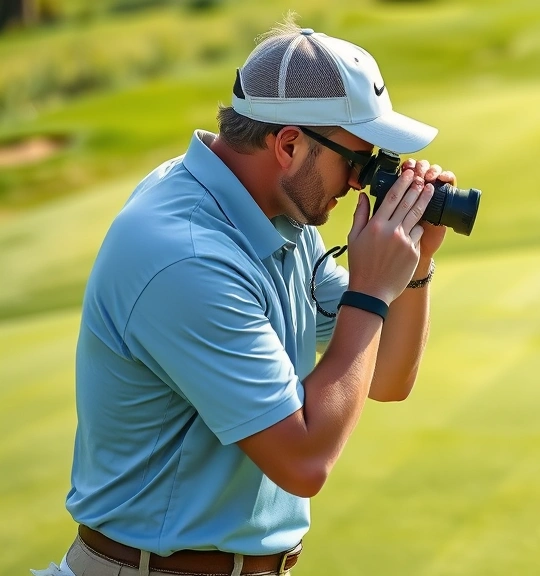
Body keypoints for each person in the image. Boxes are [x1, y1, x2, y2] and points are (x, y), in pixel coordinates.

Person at [32, 16, 455, 576]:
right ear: (288, 144)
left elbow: (387, 379)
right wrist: (372, 291)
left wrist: (416, 263)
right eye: (356, 160)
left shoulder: (275, 217)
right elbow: (304, 462)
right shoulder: (187, 256)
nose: (361, 181)